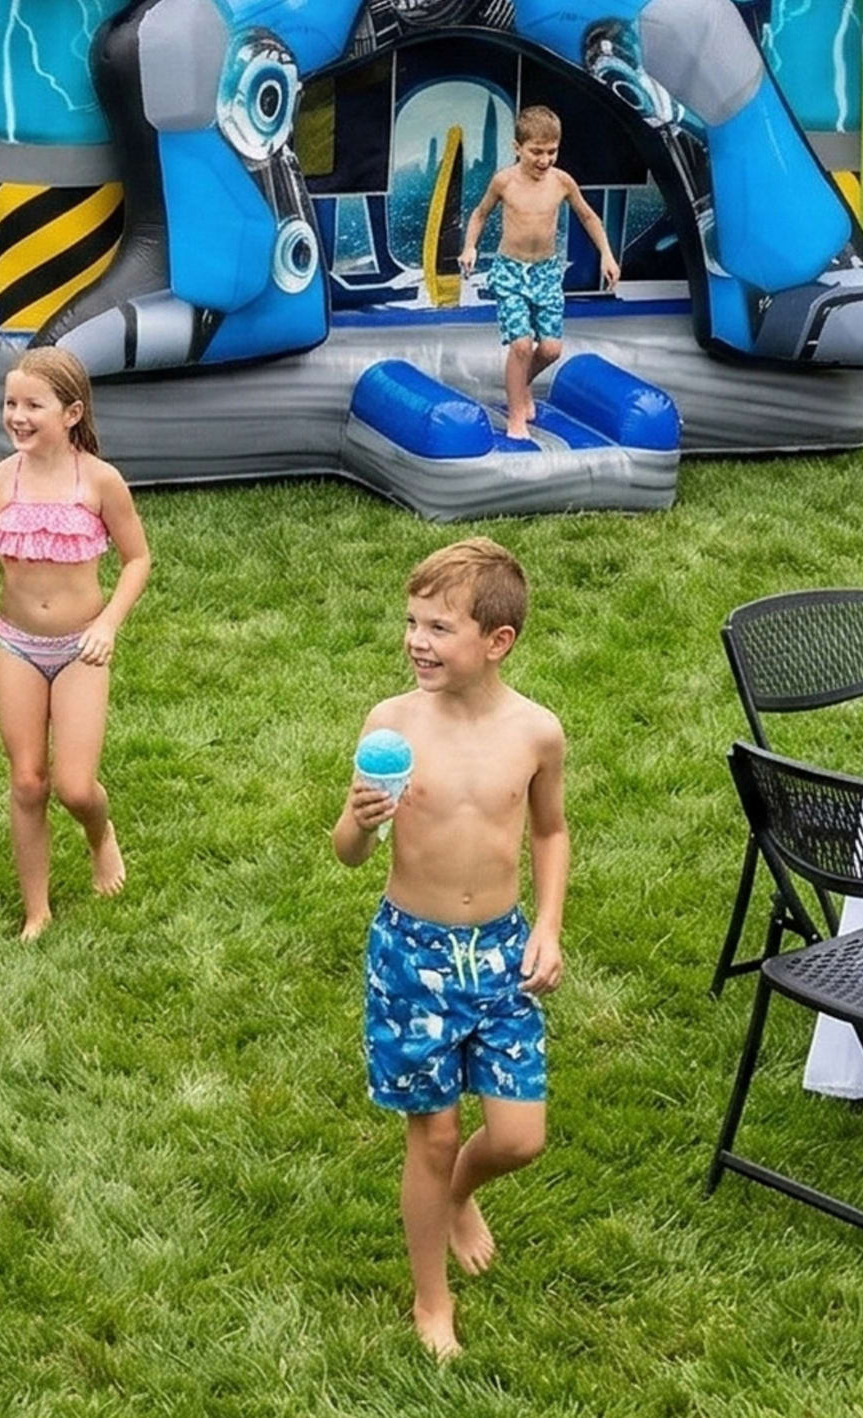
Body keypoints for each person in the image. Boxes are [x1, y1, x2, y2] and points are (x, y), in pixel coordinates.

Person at [331, 537, 568, 1361]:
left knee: (517, 1137)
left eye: (438, 627)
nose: (417, 641)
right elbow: (347, 852)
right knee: (429, 1135)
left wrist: (547, 923)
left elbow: (551, 827)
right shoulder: (391, 725)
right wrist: (357, 826)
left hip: (502, 953)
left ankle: (463, 1192)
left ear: (496, 641)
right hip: (412, 952)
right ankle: (432, 1302)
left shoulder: (536, 732)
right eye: (412, 623)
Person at [0, 347, 149, 938]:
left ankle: (101, 835)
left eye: (31, 405)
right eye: (10, 403)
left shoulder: (98, 481)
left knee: (73, 785)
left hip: (80, 649)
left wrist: (107, 624)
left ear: (70, 413)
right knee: (27, 781)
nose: (16, 415)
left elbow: (138, 559)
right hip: (15, 643)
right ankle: (37, 909)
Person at [458, 105, 620, 440]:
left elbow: (589, 217)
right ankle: (517, 416)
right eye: (536, 152)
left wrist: (606, 254)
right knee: (520, 345)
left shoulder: (562, 182)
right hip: (511, 271)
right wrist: (470, 247)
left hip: (546, 272)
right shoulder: (504, 181)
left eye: (551, 152)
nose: (544, 160)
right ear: (517, 148)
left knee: (550, 350)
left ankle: (519, 385)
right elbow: (479, 213)